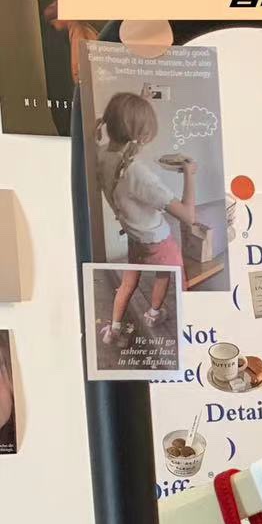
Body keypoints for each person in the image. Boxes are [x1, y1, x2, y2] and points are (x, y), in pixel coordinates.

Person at [94, 91, 196, 344]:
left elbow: (108, 133)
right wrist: (189, 173)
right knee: (165, 274)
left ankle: (113, 329)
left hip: (134, 237)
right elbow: (188, 216)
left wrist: (135, 105)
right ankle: (154, 315)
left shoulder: (99, 154)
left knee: (128, 282)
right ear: (142, 136)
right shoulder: (137, 173)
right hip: (157, 241)